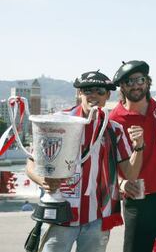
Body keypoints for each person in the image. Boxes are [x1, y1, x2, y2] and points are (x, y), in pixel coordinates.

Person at [26, 71, 144, 252]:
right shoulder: (58, 122)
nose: (93, 95)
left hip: (96, 218)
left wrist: (139, 147)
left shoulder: (113, 129)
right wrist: (44, 181)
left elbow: (130, 173)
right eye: (88, 90)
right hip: (59, 215)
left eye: (99, 91)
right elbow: (31, 164)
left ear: (108, 95)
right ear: (79, 93)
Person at [110, 60, 156, 252]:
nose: (136, 85)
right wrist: (121, 184)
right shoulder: (115, 119)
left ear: (147, 82)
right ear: (121, 87)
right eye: (129, 82)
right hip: (137, 199)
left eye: (140, 79)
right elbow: (109, 164)